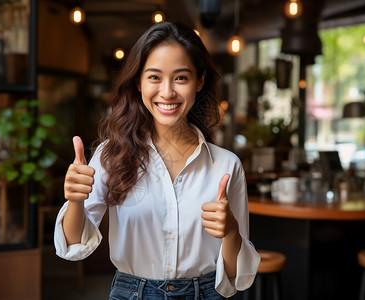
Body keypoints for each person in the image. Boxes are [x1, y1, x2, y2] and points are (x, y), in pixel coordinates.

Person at [54, 21, 260, 299]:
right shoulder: (111, 155)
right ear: (138, 82)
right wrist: (75, 200)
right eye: (154, 77)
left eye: (181, 78)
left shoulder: (226, 165)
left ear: (199, 81)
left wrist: (232, 232)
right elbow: (73, 245)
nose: (167, 92)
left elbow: (235, 279)